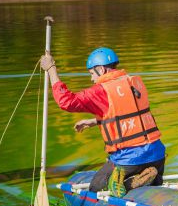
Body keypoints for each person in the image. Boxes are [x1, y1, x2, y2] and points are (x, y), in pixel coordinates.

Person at [40, 47, 165, 197]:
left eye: (92, 73)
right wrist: (95, 121)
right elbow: (128, 114)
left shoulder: (101, 90)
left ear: (101, 69)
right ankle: (145, 180)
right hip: (158, 155)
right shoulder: (133, 82)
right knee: (151, 183)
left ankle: (127, 184)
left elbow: (66, 101)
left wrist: (51, 69)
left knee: (95, 188)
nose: (92, 79)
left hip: (128, 161)